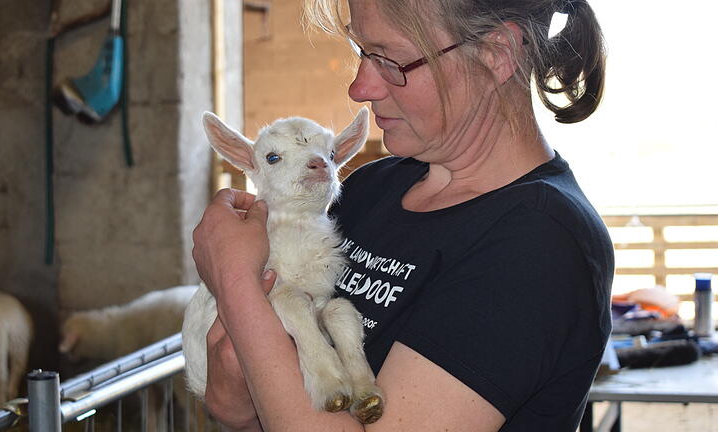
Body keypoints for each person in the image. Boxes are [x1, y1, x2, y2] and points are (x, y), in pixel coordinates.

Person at [191, 0, 614, 430]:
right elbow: (250, 403)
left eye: (391, 60)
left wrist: (234, 280)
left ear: (496, 53)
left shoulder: (538, 243)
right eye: (362, 53)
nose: (360, 88)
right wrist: (239, 410)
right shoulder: (369, 189)